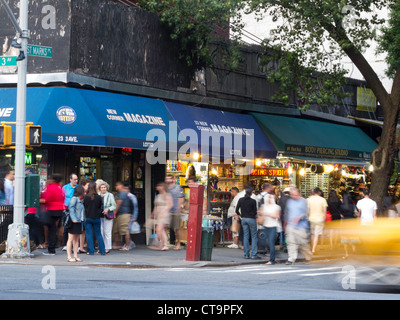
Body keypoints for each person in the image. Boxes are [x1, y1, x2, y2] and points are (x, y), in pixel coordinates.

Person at [285, 187, 312, 265]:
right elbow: (287, 213)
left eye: (295, 195)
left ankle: (308, 256)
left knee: (303, 243)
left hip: (301, 226)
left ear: (299, 194)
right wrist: (286, 223)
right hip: (291, 225)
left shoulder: (303, 201)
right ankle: (291, 258)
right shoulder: (289, 202)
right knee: (290, 242)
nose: (293, 196)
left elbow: (306, 212)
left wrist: (299, 217)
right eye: (292, 194)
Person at [41, 174, 65, 255]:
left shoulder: (51, 187)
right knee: (54, 229)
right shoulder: (60, 187)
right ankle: (53, 247)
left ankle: (51, 249)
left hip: (51, 210)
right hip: (59, 210)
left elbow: (47, 199)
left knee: (51, 230)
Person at [235, 187, 260, 260]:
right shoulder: (253, 201)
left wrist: (241, 215)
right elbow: (255, 211)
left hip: (244, 219)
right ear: (251, 193)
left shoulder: (241, 200)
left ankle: (246, 254)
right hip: (251, 219)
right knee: (254, 236)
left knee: (245, 236)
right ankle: (254, 254)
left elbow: (236, 210)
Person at [83, 182, 106, 255]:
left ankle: (91, 251)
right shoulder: (99, 197)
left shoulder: (86, 197)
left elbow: (84, 207)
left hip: (88, 217)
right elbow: (101, 207)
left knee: (89, 234)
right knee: (98, 234)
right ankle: (102, 251)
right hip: (97, 218)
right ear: (96, 188)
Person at [165, 174, 185, 250]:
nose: (167, 180)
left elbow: (181, 198)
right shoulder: (166, 188)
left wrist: (179, 207)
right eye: (166, 179)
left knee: (177, 228)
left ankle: (178, 243)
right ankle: (165, 243)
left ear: (173, 179)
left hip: (176, 210)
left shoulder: (178, 188)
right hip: (167, 211)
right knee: (165, 227)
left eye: (168, 179)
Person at [152, 182, 173, 251]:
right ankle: (162, 244)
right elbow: (156, 206)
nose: (157, 187)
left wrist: (163, 212)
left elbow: (170, 205)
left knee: (159, 229)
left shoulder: (167, 195)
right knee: (161, 230)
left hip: (164, 214)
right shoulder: (158, 196)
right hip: (159, 214)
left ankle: (165, 245)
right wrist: (153, 214)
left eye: (159, 186)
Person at [66, 185, 85, 262]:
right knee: (71, 239)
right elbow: (71, 208)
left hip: (78, 221)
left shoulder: (78, 199)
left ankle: (75, 256)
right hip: (74, 221)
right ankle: (69, 257)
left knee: (76, 239)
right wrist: (74, 218)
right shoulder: (74, 199)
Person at [113, 181, 133, 251]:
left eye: (117, 185)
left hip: (124, 214)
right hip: (121, 214)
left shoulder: (122, 193)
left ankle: (127, 246)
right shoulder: (121, 193)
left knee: (125, 230)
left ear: (121, 186)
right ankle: (119, 244)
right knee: (117, 230)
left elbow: (118, 204)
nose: (116, 187)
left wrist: (114, 213)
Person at [262, 193, 281, 265]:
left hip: (273, 226)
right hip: (266, 225)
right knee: (267, 242)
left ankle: (272, 259)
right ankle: (273, 256)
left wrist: (267, 214)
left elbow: (277, 216)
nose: (269, 199)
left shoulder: (276, 207)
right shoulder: (264, 206)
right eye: (268, 197)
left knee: (271, 242)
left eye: (270, 197)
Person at [307, 187, 328, 254]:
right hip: (320, 219)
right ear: (319, 192)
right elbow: (324, 211)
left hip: (311, 219)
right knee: (316, 235)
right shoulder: (323, 200)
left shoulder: (308, 199)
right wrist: (324, 220)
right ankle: (313, 249)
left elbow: (308, 211)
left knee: (312, 234)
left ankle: (311, 247)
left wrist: (308, 217)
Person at [61, 173, 79, 251]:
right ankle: (66, 244)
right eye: (74, 179)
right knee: (66, 227)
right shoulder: (65, 187)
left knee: (76, 228)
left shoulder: (78, 187)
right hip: (67, 209)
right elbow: (61, 197)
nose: (76, 181)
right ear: (70, 179)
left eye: (77, 179)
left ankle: (75, 245)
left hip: (76, 210)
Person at [99, 180, 116, 254]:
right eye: (102, 187)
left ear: (107, 188)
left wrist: (108, 209)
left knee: (107, 232)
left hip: (107, 215)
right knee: (101, 232)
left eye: (104, 187)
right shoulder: (97, 195)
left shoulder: (110, 195)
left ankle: (107, 248)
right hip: (100, 215)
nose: (103, 189)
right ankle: (102, 247)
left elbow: (114, 205)